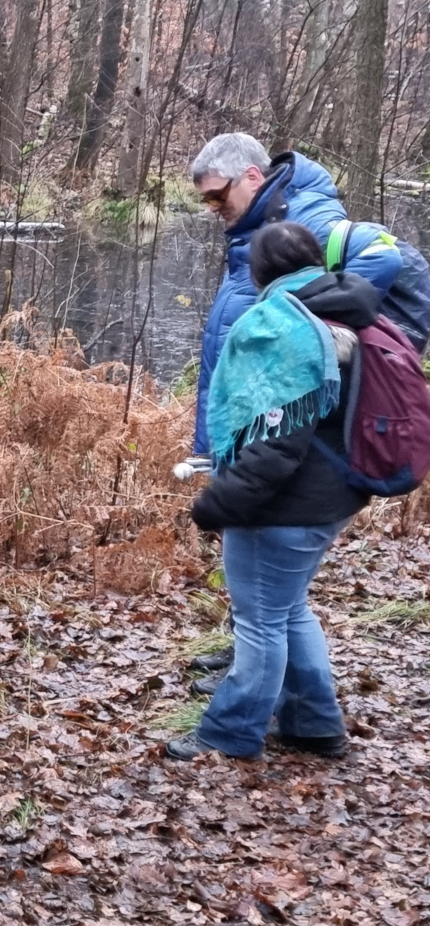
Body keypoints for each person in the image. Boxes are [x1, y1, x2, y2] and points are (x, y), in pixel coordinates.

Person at [187, 133, 425, 676]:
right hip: (260, 428)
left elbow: (385, 260)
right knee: (272, 596)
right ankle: (261, 665)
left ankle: (251, 689)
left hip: (295, 439)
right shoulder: (252, 234)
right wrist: (209, 443)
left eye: (217, 195)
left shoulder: (309, 222)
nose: (212, 208)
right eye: (205, 200)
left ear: (252, 176)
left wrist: (305, 321)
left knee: (271, 593)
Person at [166, 222, 376, 761]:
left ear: (260, 272)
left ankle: (229, 734)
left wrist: (221, 500)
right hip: (332, 497)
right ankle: (313, 723)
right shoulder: (341, 306)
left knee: (260, 623)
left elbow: (278, 443)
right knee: (287, 610)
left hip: (283, 508)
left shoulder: (282, 328)